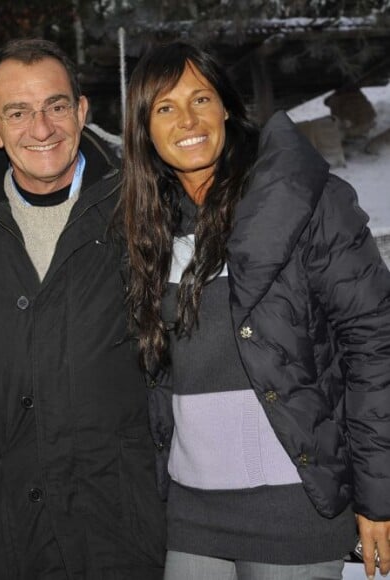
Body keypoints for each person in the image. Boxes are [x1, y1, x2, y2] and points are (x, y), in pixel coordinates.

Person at [119, 40, 390, 580]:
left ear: (226, 106)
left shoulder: (301, 201)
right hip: (190, 510)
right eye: (164, 108)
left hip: (294, 506)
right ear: (143, 129)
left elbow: (374, 343)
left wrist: (379, 494)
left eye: (201, 98)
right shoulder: (144, 229)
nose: (187, 119)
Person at [0, 38, 165, 580]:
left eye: (55, 106)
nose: (40, 129)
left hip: (128, 523)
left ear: (82, 111)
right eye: (18, 112)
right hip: (11, 530)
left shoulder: (142, 211)